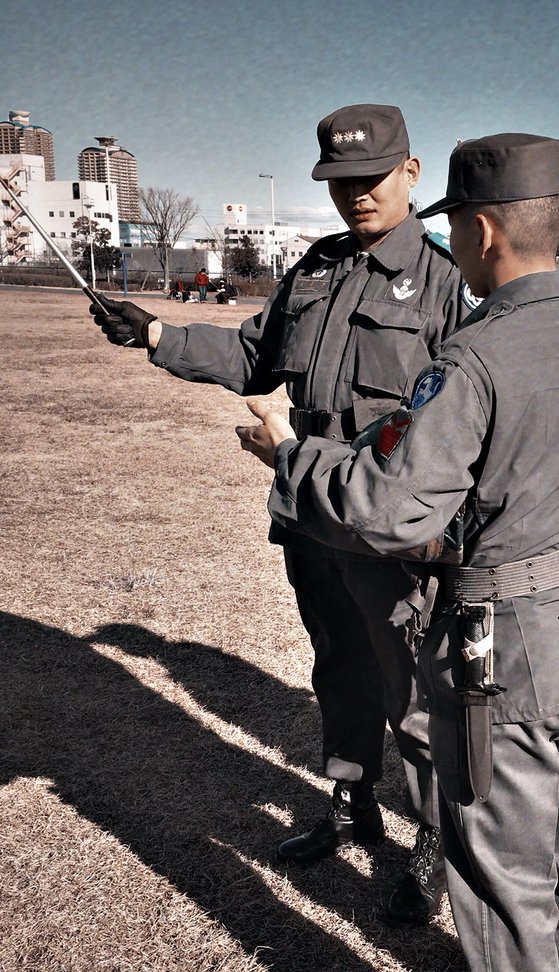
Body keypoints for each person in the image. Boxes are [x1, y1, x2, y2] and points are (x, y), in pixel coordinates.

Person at [235, 133, 559, 972]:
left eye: (452, 224)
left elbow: (392, 511)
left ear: (481, 228)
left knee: (498, 855)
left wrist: (291, 460)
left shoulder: (475, 355)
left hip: (501, 639)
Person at [89, 104, 475, 926]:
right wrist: (157, 333)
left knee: (411, 688)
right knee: (339, 665)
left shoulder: (447, 286)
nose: (355, 196)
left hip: (385, 525)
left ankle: (436, 836)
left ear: (411, 172)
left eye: (371, 178)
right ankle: (350, 800)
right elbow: (252, 355)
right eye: (339, 183)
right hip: (309, 512)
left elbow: (466, 422)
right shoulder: (315, 271)